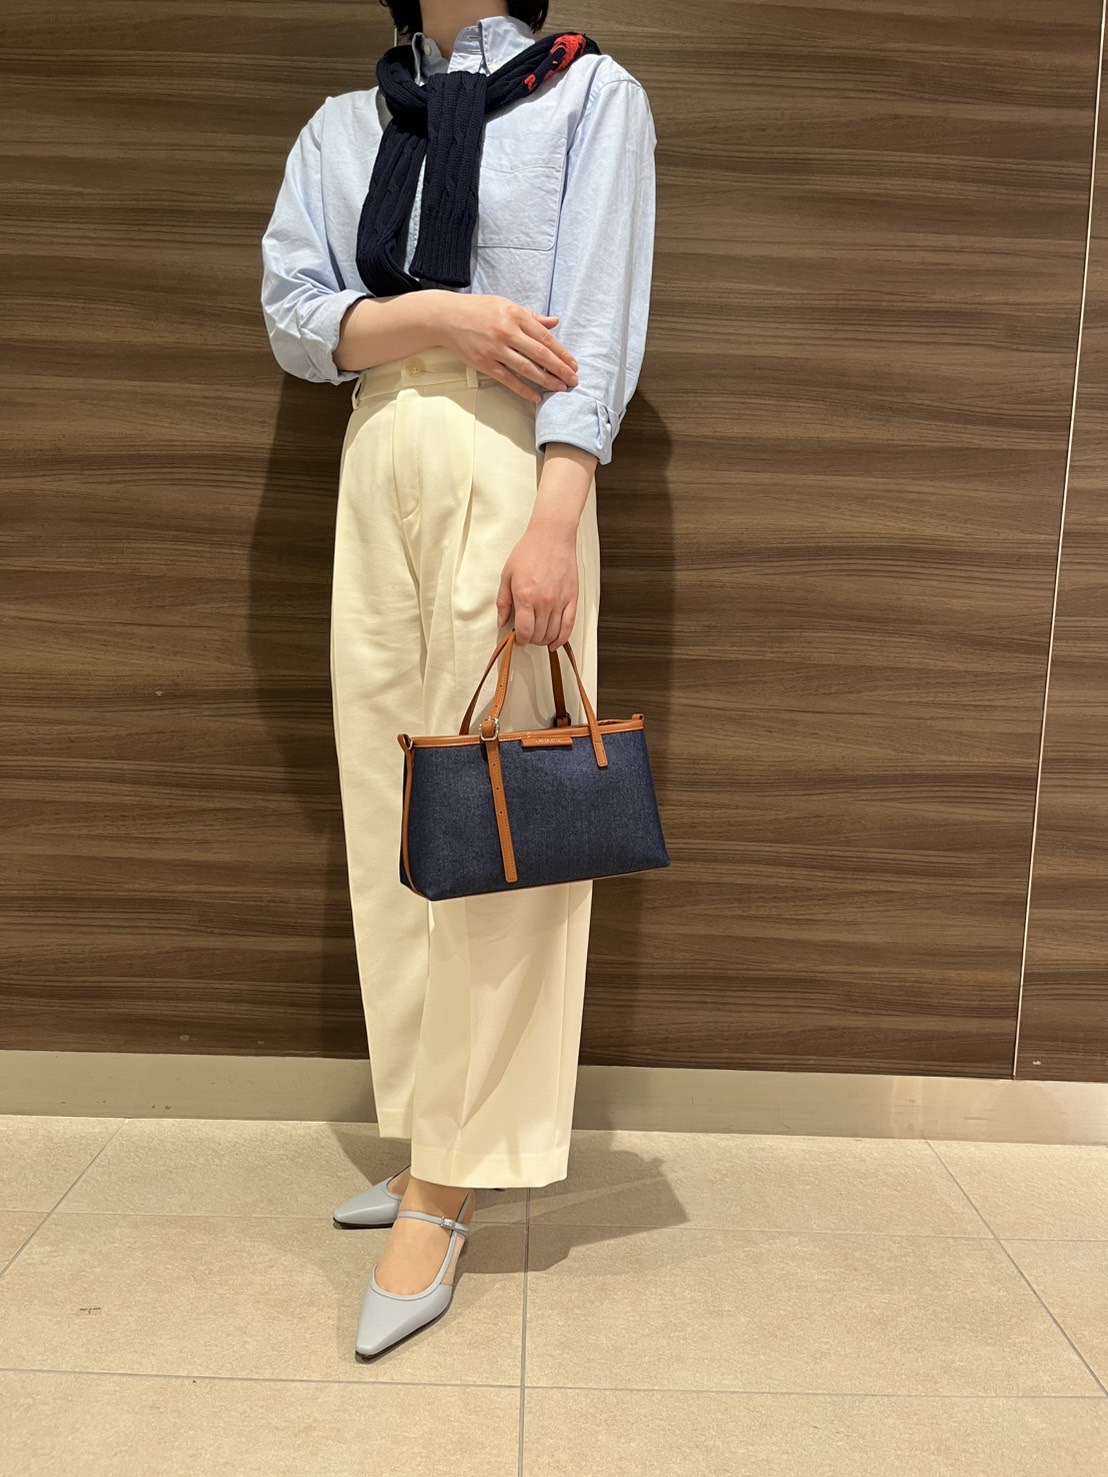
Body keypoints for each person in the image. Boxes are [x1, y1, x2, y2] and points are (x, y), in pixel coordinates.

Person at [260, 0, 656, 1360]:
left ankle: (448, 1183)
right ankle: (432, 1126)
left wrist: (558, 519)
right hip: (377, 457)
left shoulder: (588, 95)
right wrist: (439, 315)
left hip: (513, 462)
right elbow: (296, 318)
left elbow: (595, 321)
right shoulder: (347, 125)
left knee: (496, 825)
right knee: (394, 817)